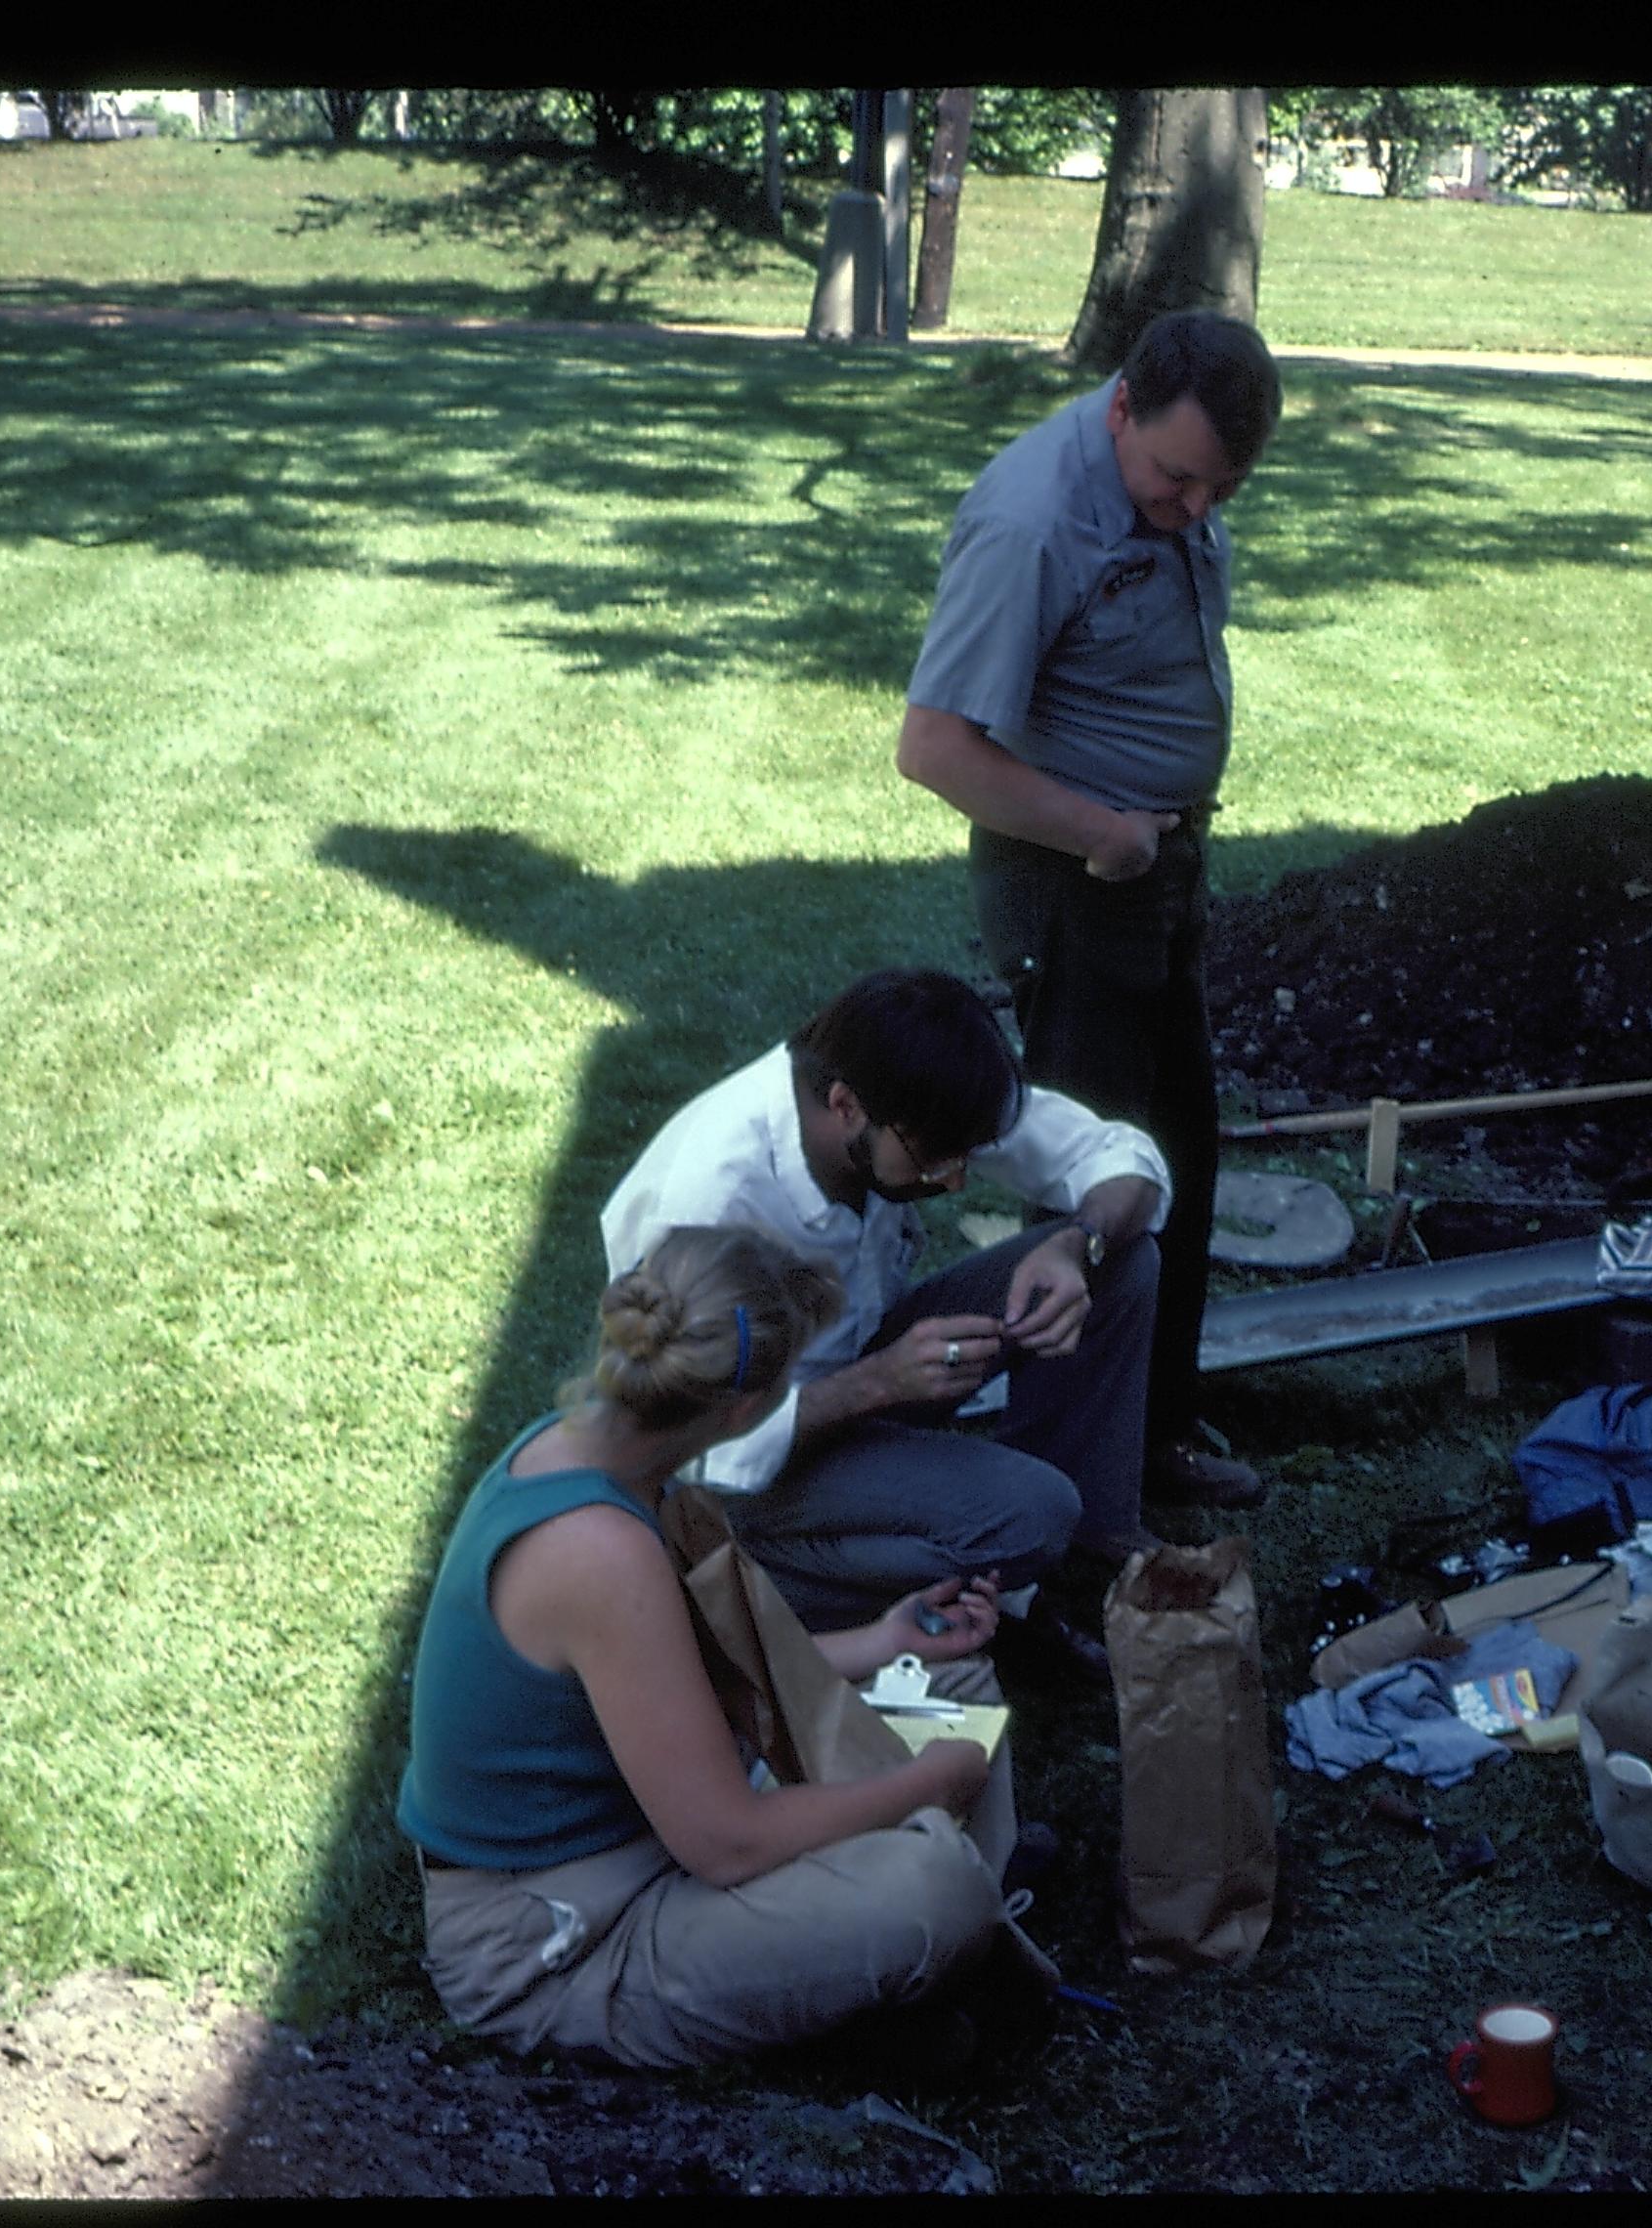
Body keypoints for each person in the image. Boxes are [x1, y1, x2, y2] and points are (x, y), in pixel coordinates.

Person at [398, 1223, 1020, 2071]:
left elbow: (693, 1682)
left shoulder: (591, 1456)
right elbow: (728, 1842)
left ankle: (917, 1938)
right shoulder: (601, 1552)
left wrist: (883, 1642)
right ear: (744, 1409)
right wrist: (931, 1778)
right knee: (931, 1890)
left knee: (945, 1673)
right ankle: (927, 1937)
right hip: (557, 1942)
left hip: (643, 1848)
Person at [894, 307, 1285, 1515]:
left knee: (1175, 1161)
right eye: (1174, 480)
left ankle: (1149, 1441)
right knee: (1088, 1189)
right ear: (1121, 404)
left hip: (1152, 870)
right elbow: (935, 749)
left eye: (1220, 489)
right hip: (1074, 880)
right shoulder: (1029, 522)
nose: (1196, 511)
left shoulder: (1174, 480)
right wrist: (1104, 836)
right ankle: (1058, 1497)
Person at [599, 967, 1172, 1668]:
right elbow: (689, 1451)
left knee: (1119, 1257)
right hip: (745, 1474)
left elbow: (1117, 1156)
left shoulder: (912, 1094)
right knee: (1033, 1509)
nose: (956, 1179)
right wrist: (877, 1384)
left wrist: (1075, 1241)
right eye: (935, 1156)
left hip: (867, 1372)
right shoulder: (708, 1202)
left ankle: (1067, 1570)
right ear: (845, 1106)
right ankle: (784, 1590)